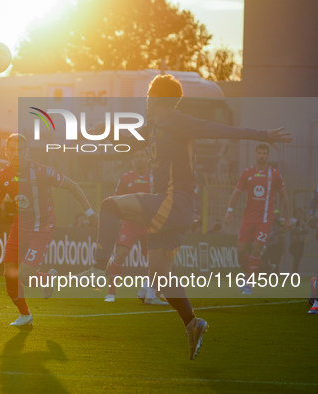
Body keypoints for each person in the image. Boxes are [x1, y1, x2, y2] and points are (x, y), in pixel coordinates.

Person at [86, 74, 291, 360]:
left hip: (173, 203)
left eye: (148, 97)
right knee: (160, 272)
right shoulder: (155, 127)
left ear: (156, 99)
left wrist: (262, 135)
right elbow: (128, 138)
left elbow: (219, 130)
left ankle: (97, 267)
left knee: (109, 206)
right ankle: (193, 323)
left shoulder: (175, 120)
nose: (145, 102)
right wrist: (103, 131)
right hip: (173, 211)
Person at [0, 134, 98, 326]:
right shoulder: (3, 175)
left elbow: (72, 185)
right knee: (9, 277)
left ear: (26, 152)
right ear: (6, 152)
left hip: (43, 228)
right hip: (19, 228)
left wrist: (90, 212)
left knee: (24, 275)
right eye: (11, 149)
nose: (15, 153)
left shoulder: (41, 172)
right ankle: (26, 315)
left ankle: (48, 279)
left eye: (19, 149)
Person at [97, 147, 166, 305]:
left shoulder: (154, 177)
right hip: (130, 224)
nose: (140, 158)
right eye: (137, 156)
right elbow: (115, 200)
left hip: (150, 225)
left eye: (142, 155)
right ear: (132, 159)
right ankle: (111, 293)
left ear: (147, 158)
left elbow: (161, 199)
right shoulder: (126, 178)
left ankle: (152, 291)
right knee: (120, 254)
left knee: (157, 260)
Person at [224, 143, 290, 295]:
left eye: (264, 153)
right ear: (255, 155)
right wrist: (229, 211)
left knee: (256, 248)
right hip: (248, 218)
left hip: (265, 220)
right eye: (259, 153)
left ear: (267, 156)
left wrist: (287, 219)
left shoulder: (275, 174)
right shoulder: (247, 173)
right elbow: (236, 193)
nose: (261, 156)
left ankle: (250, 283)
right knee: (240, 251)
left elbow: (284, 197)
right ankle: (250, 274)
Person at [288, 207, 309, 274]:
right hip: (294, 242)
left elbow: (306, 230)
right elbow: (293, 230)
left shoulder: (302, 221)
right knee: (296, 256)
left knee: (299, 257)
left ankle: (295, 272)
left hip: (301, 241)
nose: (298, 214)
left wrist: (301, 230)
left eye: (299, 212)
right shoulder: (292, 220)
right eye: (297, 212)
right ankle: (294, 272)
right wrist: (301, 230)